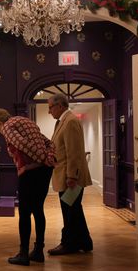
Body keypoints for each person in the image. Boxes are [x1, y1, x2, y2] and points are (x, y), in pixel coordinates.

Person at [0, 108, 55, 266]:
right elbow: (49, 143)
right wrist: (50, 158)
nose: (0, 132)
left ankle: (23, 254)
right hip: (44, 172)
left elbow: (22, 144)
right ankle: (38, 251)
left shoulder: (7, 126)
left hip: (30, 172)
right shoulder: (26, 121)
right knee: (38, 210)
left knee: (24, 213)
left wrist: (43, 158)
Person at [47, 93, 93, 255]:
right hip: (66, 175)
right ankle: (85, 242)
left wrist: (71, 176)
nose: (49, 111)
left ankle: (68, 244)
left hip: (70, 178)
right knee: (74, 209)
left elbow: (74, 152)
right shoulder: (64, 122)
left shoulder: (70, 121)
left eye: (50, 107)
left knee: (70, 211)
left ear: (60, 106)